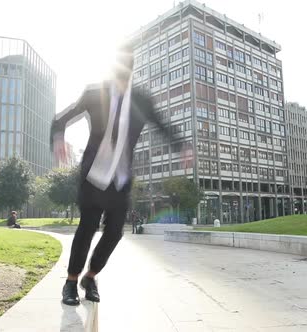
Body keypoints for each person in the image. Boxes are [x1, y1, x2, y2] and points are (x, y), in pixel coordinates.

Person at [51, 43, 188, 306]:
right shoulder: (94, 92)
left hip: (121, 179)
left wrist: (182, 146)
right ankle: (70, 282)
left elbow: (163, 125)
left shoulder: (141, 100)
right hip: (93, 176)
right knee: (87, 228)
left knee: (114, 232)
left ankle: (90, 277)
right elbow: (62, 118)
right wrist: (58, 137)